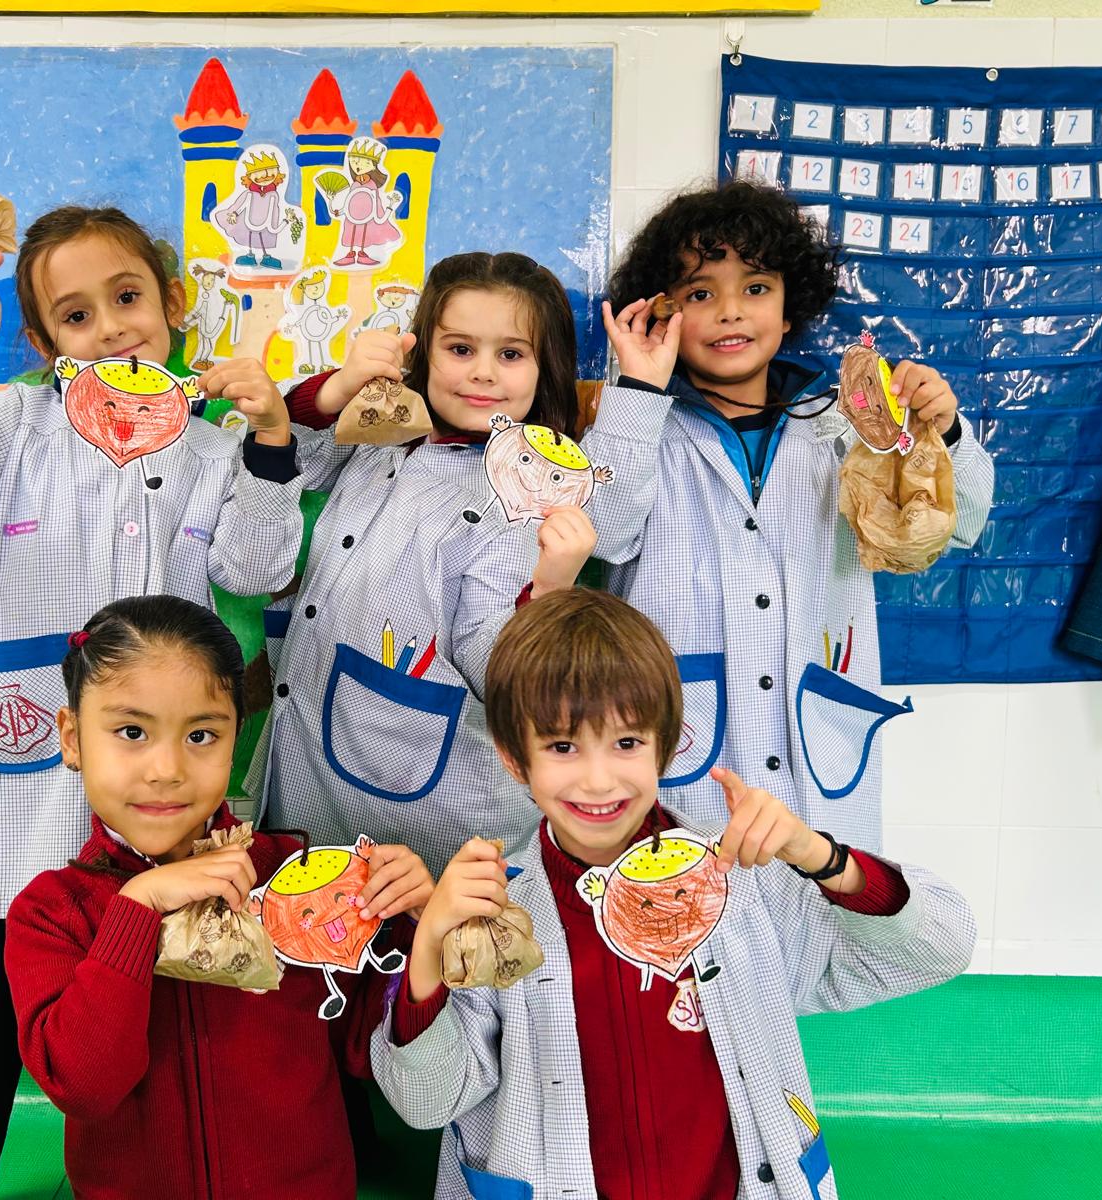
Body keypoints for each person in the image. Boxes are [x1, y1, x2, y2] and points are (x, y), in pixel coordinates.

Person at [0, 204, 303, 1200]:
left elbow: (257, 567)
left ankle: (159, 1172)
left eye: (128, 298)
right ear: (46, 346)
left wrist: (268, 442)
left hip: (147, 789)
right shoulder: (16, 426)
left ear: (173, 306)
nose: (111, 328)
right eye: (77, 315)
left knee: (147, 992)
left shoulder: (215, 448)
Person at [373, 588, 976, 1199]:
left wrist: (818, 856)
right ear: (513, 760)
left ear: (667, 744)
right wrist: (429, 945)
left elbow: (943, 947)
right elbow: (428, 1102)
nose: (598, 779)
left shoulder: (746, 882)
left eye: (627, 743)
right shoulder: (493, 913)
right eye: (561, 747)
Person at [584, 179, 995, 851]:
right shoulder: (635, 424)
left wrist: (942, 433)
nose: (729, 313)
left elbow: (964, 519)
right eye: (699, 293)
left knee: (820, 907)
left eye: (755, 288)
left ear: (788, 305)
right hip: (682, 749)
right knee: (687, 917)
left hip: (818, 744)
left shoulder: (845, 420)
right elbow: (603, 531)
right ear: (663, 310)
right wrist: (637, 390)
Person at [6, 595, 432, 1199]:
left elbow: (370, 1051)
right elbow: (84, 1085)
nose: (167, 768)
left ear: (236, 737)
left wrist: (420, 935)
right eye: (131, 731)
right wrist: (138, 909)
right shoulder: (52, 911)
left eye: (201, 734)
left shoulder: (295, 880)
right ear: (72, 739)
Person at [256, 251, 599, 876]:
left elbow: (504, 669)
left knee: (423, 961)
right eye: (460, 349)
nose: (483, 374)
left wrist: (549, 590)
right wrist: (337, 388)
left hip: (431, 816)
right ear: (424, 354)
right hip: (310, 769)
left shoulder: (525, 495)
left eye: (512, 354)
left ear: (546, 368)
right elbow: (290, 455)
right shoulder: (387, 433)